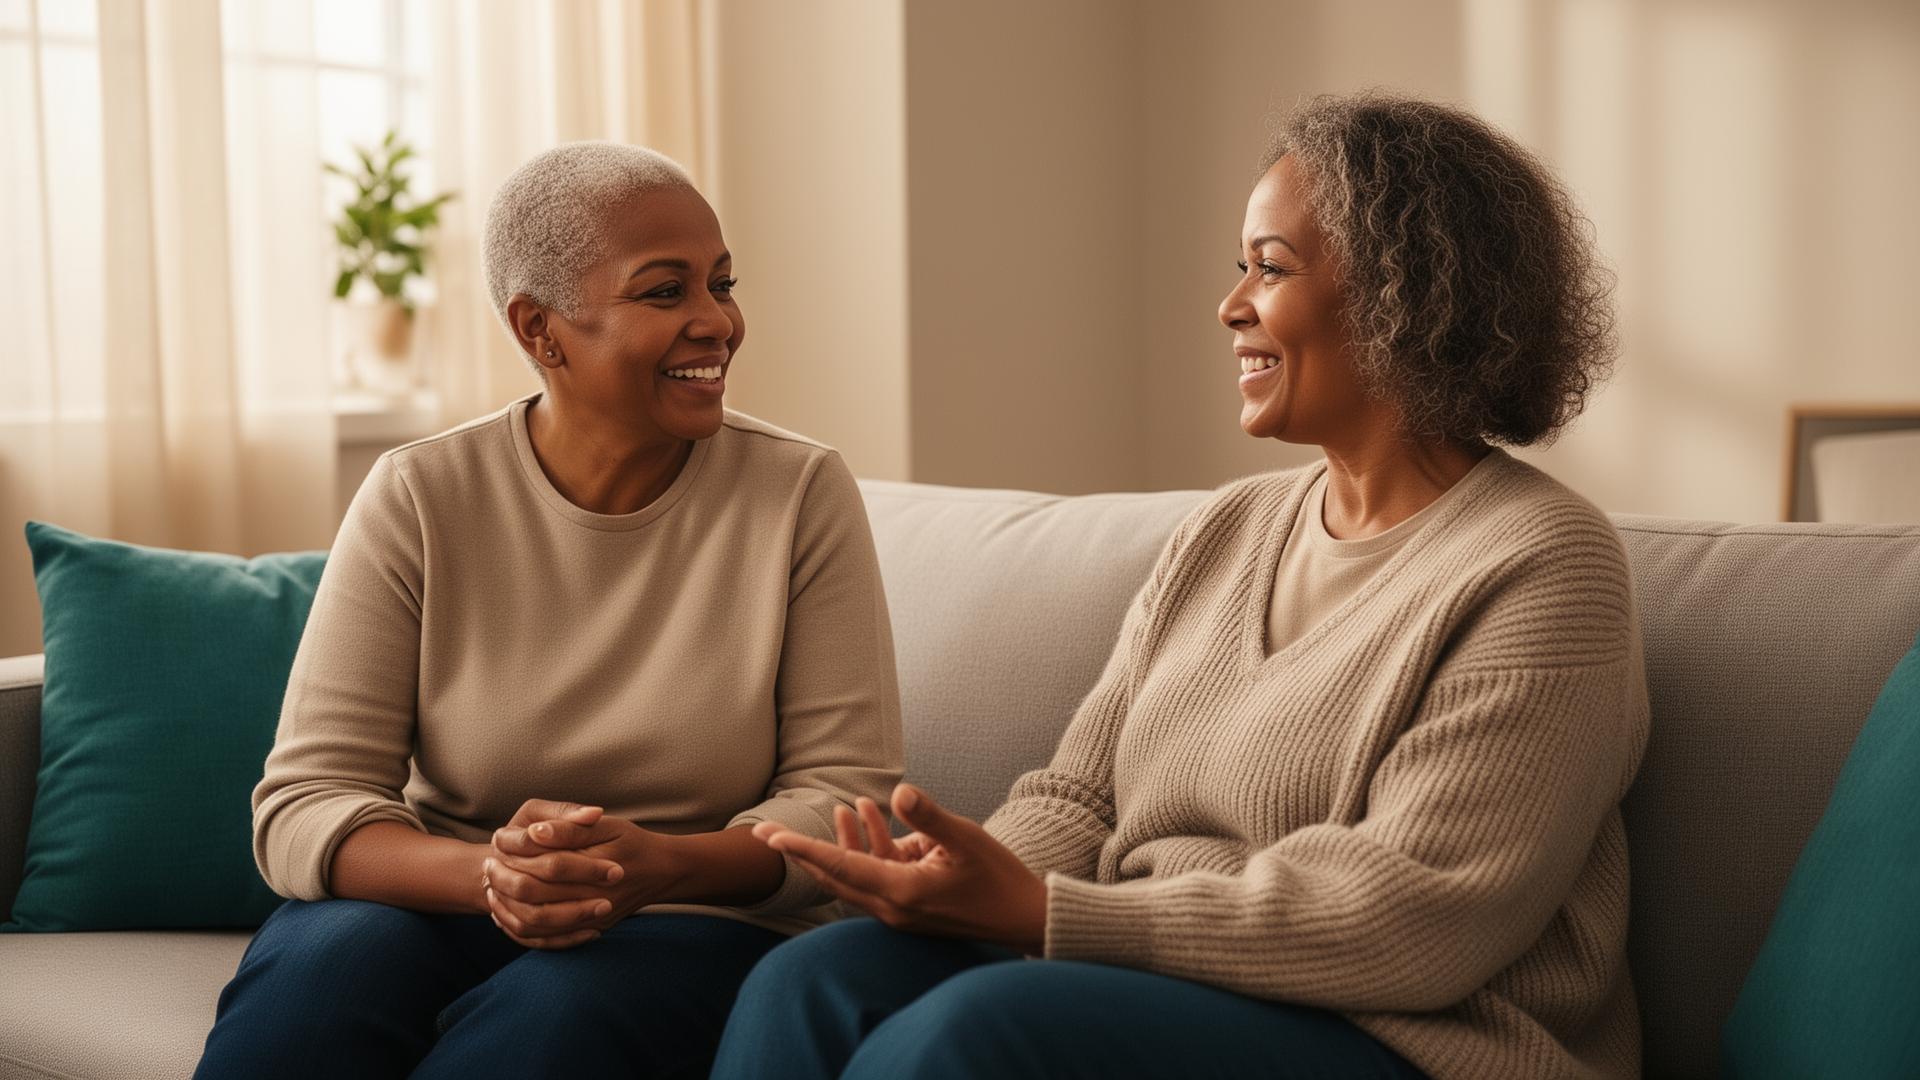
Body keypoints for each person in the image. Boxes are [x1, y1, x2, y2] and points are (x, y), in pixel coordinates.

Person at [713, 92, 1648, 1080]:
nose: (1232, 304)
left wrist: (1045, 915)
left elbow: (1412, 917)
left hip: (1411, 1042)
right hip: (1165, 986)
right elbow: (1081, 800)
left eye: (1270, 268)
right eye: (1239, 265)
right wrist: (955, 875)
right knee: (811, 979)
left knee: (979, 1030)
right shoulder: (1226, 531)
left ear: (1403, 294)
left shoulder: (1543, 565)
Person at [194, 142, 903, 1080]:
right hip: (451, 899)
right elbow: (304, 804)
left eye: (720, 284)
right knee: (320, 974)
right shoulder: (421, 494)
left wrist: (658, 865)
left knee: (557, 1015)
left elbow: (849, 804)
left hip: (695, 920)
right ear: (541, 329)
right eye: (665, 292)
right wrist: (495, 874)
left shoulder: (798, 493)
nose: (717, 322)